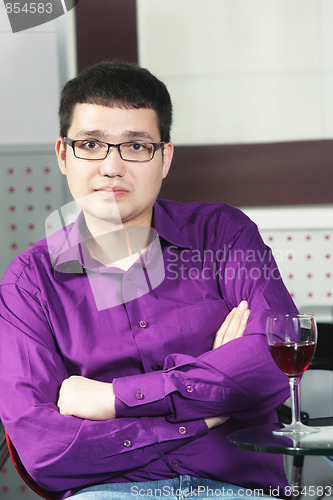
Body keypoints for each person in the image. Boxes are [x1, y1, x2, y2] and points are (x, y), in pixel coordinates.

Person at [0, 61, 297, 499]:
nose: (112, 167)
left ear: (165, 158)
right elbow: (44, 449)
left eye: (137, 146)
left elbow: (276, 357)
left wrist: (113, 401)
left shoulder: (223, 235)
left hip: (239, 491)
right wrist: (209, 407)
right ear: (64, 155)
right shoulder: (30, 282)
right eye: (91, 144)